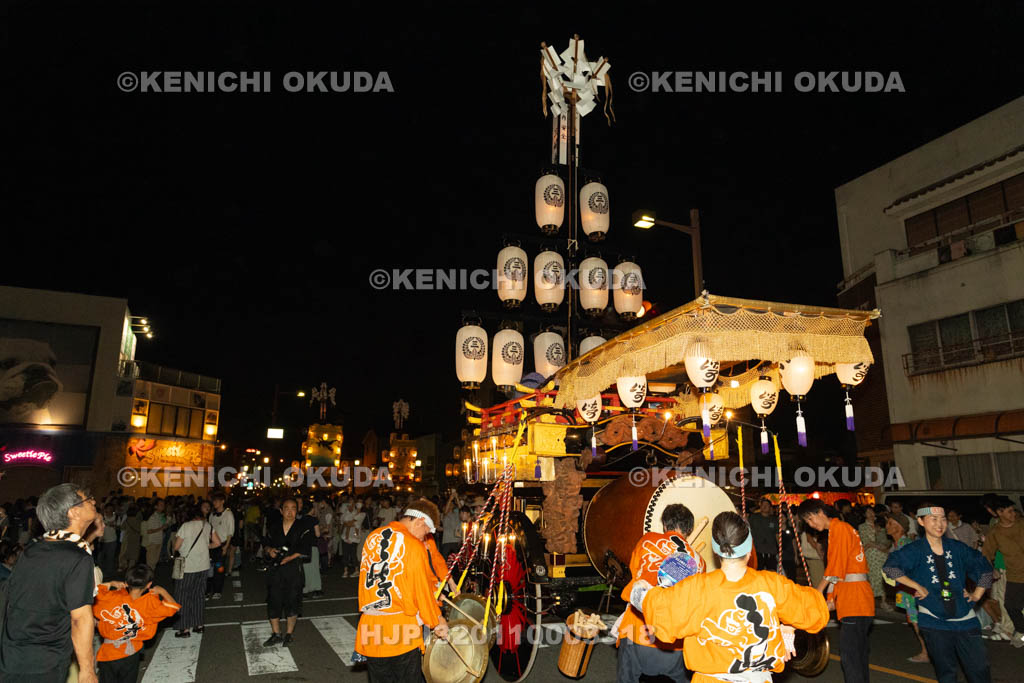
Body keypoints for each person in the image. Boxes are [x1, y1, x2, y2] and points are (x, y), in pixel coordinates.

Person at [630, 511, 829, 683]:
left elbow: (659, 613)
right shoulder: (774, 584)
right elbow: (816, 612)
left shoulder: (697, 588)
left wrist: (640, 588)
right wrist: (788, 625)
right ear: (749, 548)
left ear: (716, 550)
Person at [0, 484, 100, 683]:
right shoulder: (76, 557)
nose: (94, 501)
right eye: (87, 499)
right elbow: (80, 619)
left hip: (12, 656)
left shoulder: (33, 548)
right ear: (74, 512)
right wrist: (87, 670)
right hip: (45, 662)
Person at [884, 505, 995, 683]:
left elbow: (985, 570)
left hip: (965, 619)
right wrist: (916, 586)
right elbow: (890, 568)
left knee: (980, 669)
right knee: (946, 672)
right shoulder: (914, 550)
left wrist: (976, 595)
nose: (940, 524)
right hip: (933, 621)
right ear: (921, 522)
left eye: (942, 519)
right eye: (933, 519)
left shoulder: (957, 548)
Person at [354, 498, 449, 680]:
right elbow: (421, 591)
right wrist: (437, 620)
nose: (425, 537)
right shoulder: (413, 545)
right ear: (420, 521)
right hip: (400, 630)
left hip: (371, 627)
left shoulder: (373, 536)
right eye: (426, 532)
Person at [616, 504, 706, 683]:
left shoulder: (647, 540)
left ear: (665, 525)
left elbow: (635, 574)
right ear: (689, 530)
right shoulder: (699, 561)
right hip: (674, 641)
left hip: (637, 630)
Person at [798, 499, 874, 683]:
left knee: (851, 657)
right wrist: (832, 598)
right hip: (855, 597)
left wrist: (817, 593)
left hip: (854, 599)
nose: (811, 525)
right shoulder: (839, 530)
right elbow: (839, 570)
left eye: (810, 520)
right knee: (858, 655)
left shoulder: (839, 529)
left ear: (819, 513)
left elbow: (834, 569)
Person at [93, 564, 180, 683]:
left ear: (126, 583)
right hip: (131, 653)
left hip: (108, 653)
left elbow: (94, 591)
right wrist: (162, 591)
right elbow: (174, 607)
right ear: (149, 585)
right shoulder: (150, 605)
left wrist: (111, 583)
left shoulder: (111, 598)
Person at [262, 498, 313, 646]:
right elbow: (266, 543)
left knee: (292, 600)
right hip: (275, 569)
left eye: (293, 508)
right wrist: (269, 550)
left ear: (297, 511)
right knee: (273, 600)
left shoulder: (303, 527)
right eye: (286, 508)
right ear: (281, 510)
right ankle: (276, 633)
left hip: (293, 569)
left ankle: (289, 633)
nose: (290, 511)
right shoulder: (274, 527)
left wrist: (289, 558)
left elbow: (305, 548)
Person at [981, 496, 1024, 648]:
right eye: (1010, 511)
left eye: (1014, 511)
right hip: (1015, 575)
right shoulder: (995, 533)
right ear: (1000, 512)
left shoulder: (1022, 525)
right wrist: (992, 569)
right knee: (1011, 606)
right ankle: (1021, 631)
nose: (1014, 514)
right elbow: (986, 554)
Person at [171, 505, 221, 638]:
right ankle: (199, 625)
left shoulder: (185, 526)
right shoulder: (207, 526)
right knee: (198, 596)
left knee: (183, 596)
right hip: (203, 566)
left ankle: (184, 628)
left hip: (187, 567)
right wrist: (206, 546)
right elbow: (218, 542)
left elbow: (176, 546)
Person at [884, 515, 928, 662]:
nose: (887, 526)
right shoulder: (897, 545)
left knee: (917, 621)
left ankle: (926, 652)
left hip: (912, 589)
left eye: (890, 522)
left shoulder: (906, 545)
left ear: (900, 527)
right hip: (907, 588)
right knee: (915, 620)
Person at [858, 506, 889, 609]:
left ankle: (884, 601)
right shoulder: (862, 527)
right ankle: (871, 601)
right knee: (873, 577)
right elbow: (867, 542)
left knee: (884, 577)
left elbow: (887, 538)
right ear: (864, 515)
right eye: (867, 512)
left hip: (883, 554)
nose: (871, 514)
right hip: (872, 556)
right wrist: (879, 546)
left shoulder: (881, 522)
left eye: (871, 511)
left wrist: (884, 547)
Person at [207, 492, 234, 600]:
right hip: (211, 545)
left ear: (223, 501)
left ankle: (217, 590)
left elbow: (230, 532)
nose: (215, 503)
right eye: (214, 500)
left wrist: (226, 547)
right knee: (208, 569)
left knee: (219, 569)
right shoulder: (212, 515)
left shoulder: (228, 514)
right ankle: (208, 590)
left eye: (217, 500)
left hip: (222, 545)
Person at [748, 498, 779, 572]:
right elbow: (748, 530)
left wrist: (780, 547)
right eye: (763, 505)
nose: (764, 506)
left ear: (770, 507)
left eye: (767, 505)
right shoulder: (754, 517)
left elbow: (777, 534)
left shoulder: (774, 520)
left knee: (771, 572)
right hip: (757, 550)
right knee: (757, 572)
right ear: (760, 506)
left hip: (771, 550)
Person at [339, 498, 365, 578]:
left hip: (354, 537)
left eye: (352, 504)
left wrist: (349, 523)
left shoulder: (360, 514)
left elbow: (352, 524)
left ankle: (356, 571)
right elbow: (344, 523)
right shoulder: (344, 514)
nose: (350, 506)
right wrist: (349, 523)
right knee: (345, 554)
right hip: (344, 537)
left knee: (353, 554)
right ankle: (345, 571)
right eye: (349, 504)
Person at [141, 499, 167, 569]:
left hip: (159, 540)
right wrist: (161, 528)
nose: (163, 506)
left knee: (154, 562)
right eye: (161, 505)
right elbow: (149, 531)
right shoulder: (152, 517)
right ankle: (148, 578)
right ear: (156, 506)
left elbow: (164, 525)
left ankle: (151, 577)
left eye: (163, 505)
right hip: (152, 542)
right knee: (150, 562)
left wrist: (164, 526)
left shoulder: (161, 516)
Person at [440, 491, 463, 558]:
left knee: (456, 562)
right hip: (446, 541)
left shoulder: (457, 514)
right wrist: (450, 498)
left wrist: (456, 498)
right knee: (445, 562)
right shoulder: (444, 515)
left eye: (451, 504)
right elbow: (445, 511)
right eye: (448, 504)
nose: (450, 505)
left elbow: (461, 510)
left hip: (457, 541)